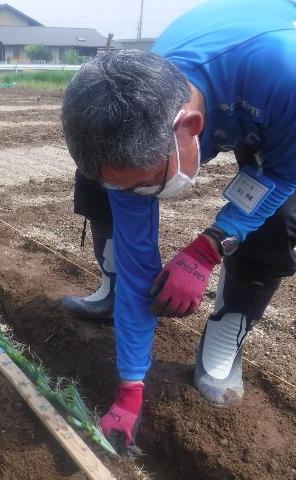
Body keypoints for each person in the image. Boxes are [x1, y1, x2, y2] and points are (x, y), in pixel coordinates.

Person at [60, 0, 296, 454]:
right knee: (101, 191)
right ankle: (108, 289)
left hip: (274, 101)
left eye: (146, 183)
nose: (139, 194)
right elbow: (139, 266)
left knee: (279, 221)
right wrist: (130, 388)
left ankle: (229, 331)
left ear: (190, 128)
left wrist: (208, 248)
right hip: (219, 91)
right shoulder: (130, 121)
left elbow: (283, 174)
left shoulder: (284, 74)